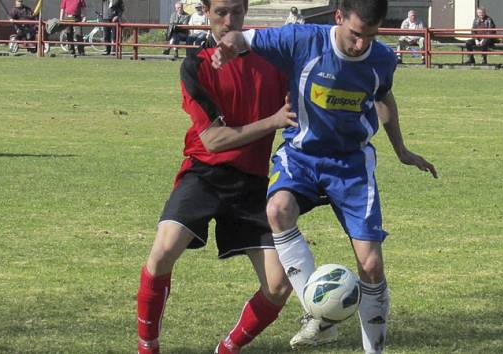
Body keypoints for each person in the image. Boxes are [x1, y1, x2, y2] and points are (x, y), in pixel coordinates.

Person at [212, 0, 438, 352]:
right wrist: (230, 44)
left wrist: (402, 150)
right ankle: (318, 314)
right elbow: (248, 39)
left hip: (351, 166)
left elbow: (383, 97)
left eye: (371, 36)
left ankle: (373, 350)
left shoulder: (381, 59)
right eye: (355, 34)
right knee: (277, 210)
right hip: (302, 157)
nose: (361, 45)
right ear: (338, 18)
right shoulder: (302, 40)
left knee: (372, 265)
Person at [136, 0, 297, 353]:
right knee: (162, 251)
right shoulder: (196, 65)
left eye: (236, 12)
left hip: (253, 183)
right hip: (204, 173)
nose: (229, 21)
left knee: (279, 285)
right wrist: (273, 120)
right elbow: (213, 139)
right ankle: (147, 346)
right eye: (220, 12)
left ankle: (228, 348)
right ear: (206, 12)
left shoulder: (272, 55)